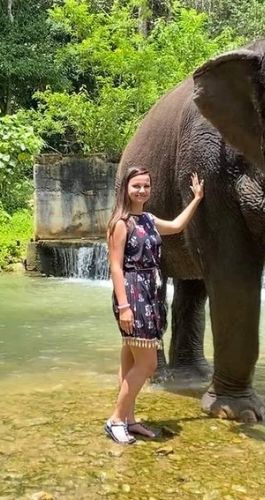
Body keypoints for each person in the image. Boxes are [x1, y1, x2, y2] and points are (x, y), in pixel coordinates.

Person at [104, 166, 204, 444]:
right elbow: (115, 267)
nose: (142, 191)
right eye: (137, 186)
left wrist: (196, 199)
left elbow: (176, 226)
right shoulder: (121, 223)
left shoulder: (147, 219)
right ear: (126, 188)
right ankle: (115, 420)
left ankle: (129, 420)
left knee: (130, 360)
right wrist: (124, 306)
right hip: (133, 294)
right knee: (147, 364)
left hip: (151, 291)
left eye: (146, 186)